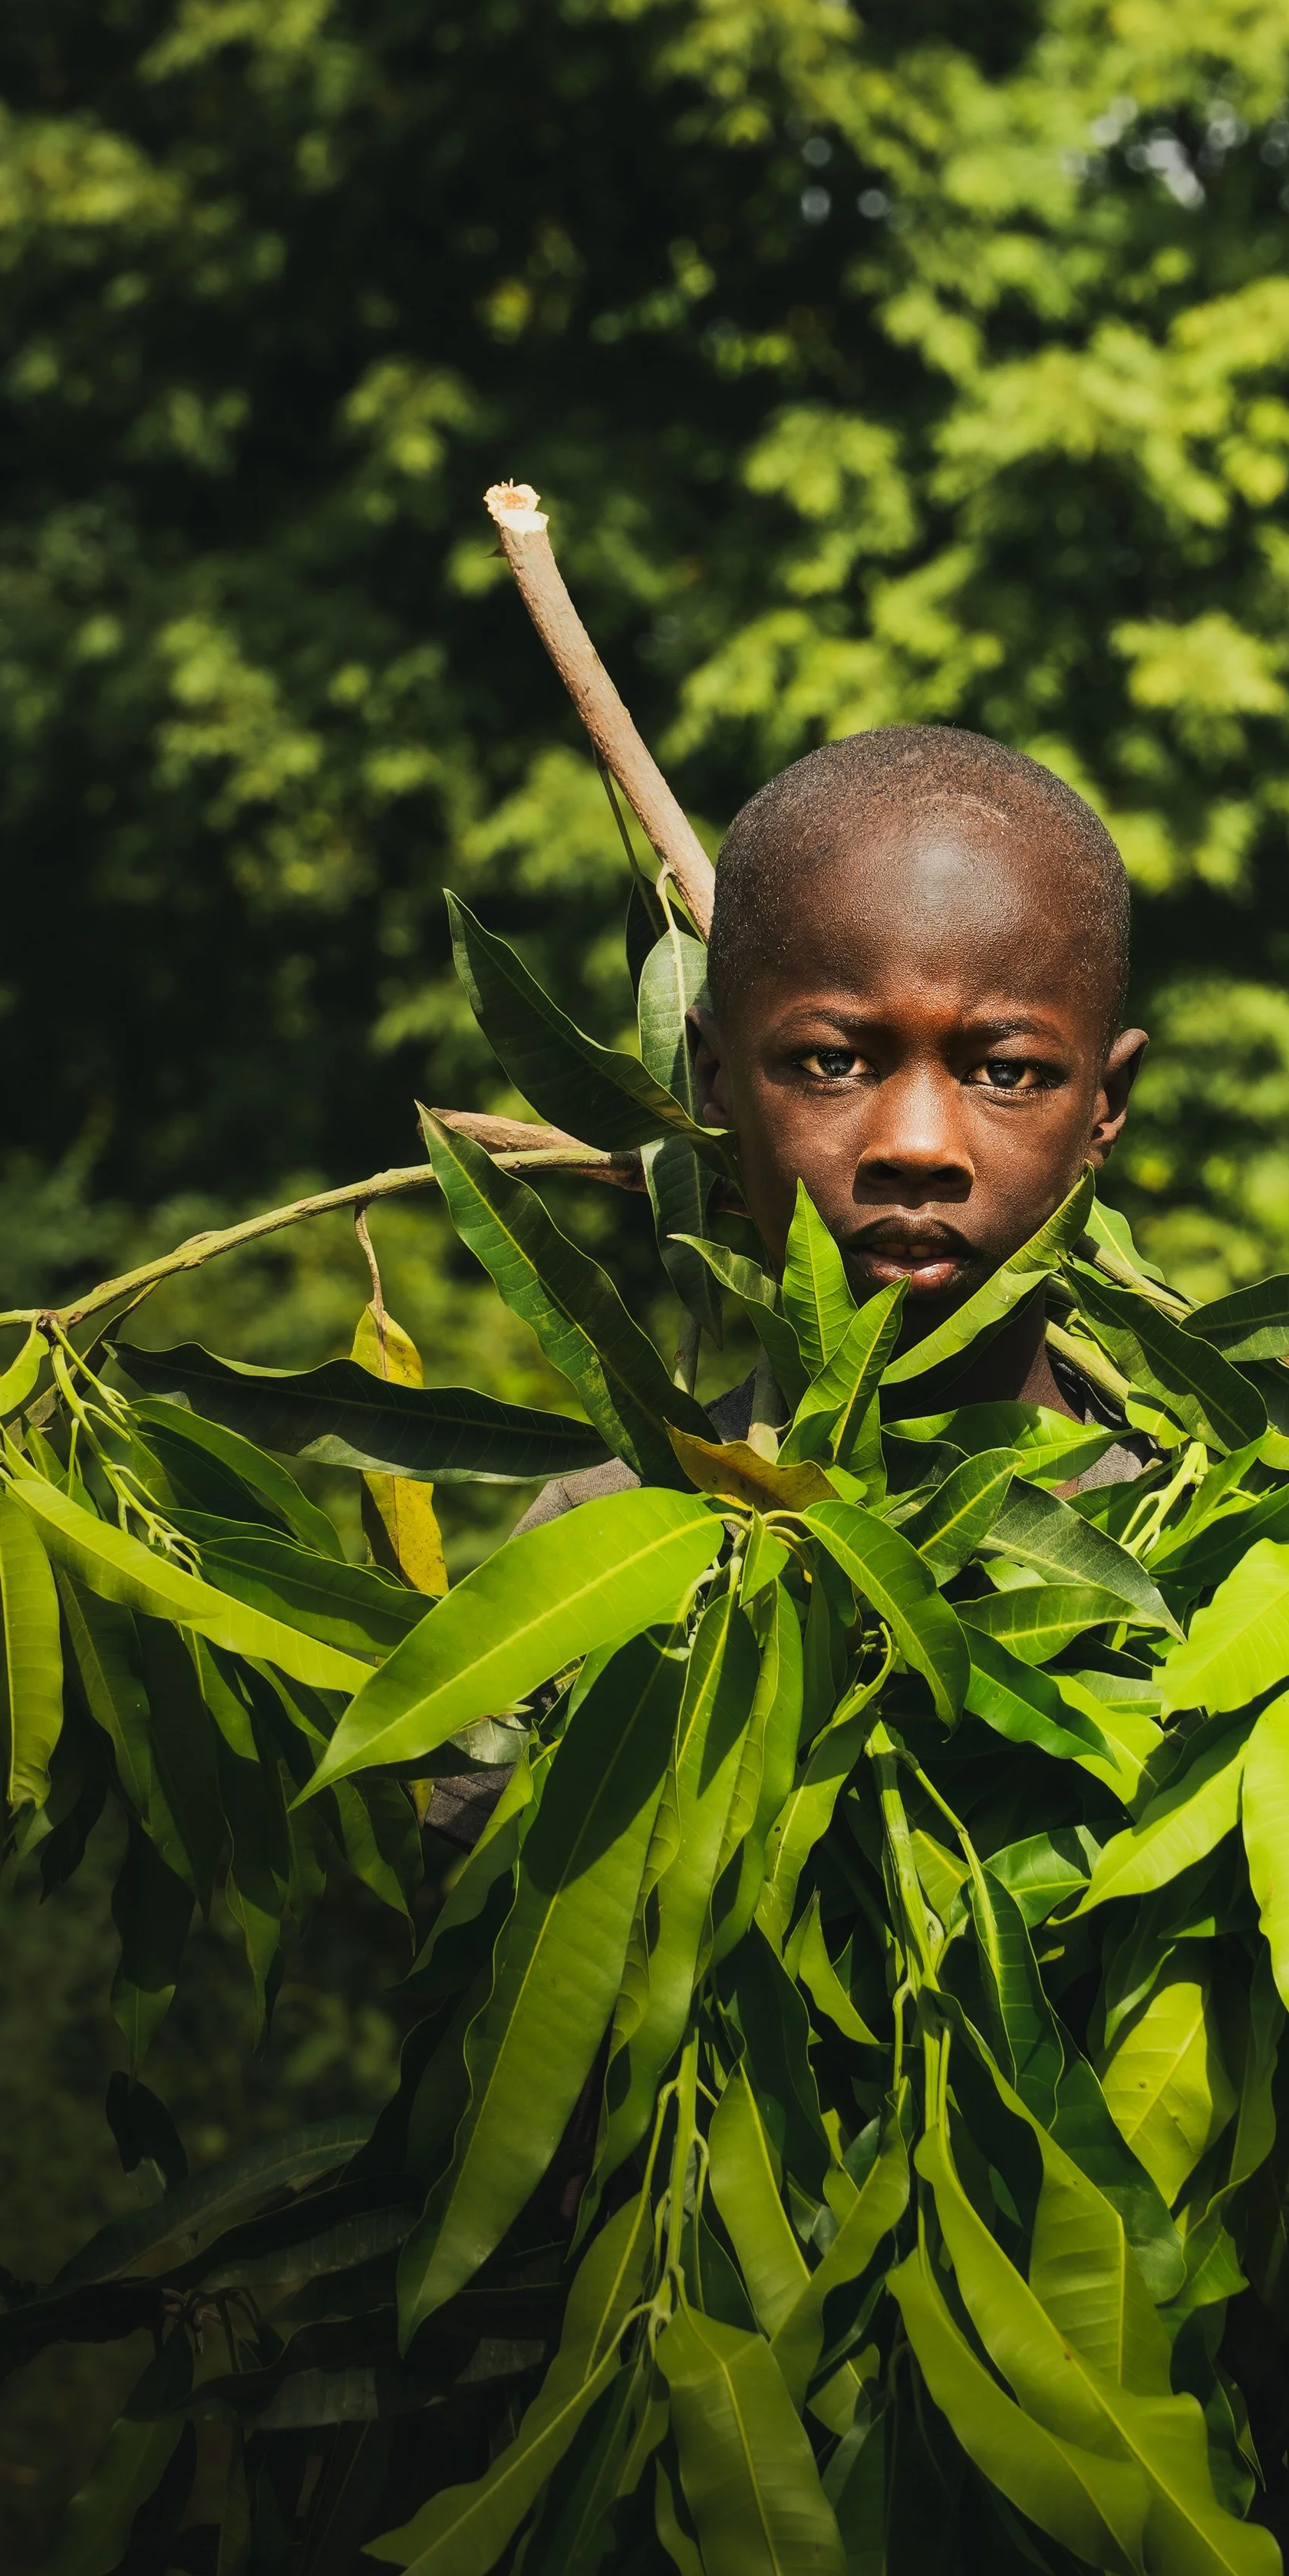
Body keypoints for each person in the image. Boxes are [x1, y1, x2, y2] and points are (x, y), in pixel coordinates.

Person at [428, 724, 1149, 1833]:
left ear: (1104, 1104)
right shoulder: (605, 1551)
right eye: (833, 1061)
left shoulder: (1212, 1533)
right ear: (713, 1077)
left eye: (1005, 1071)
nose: (918, 1143)